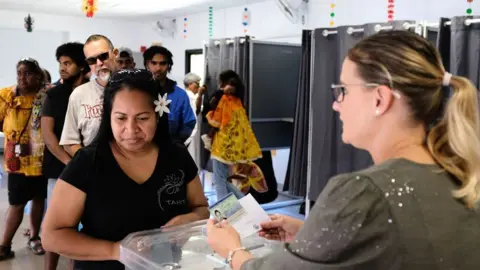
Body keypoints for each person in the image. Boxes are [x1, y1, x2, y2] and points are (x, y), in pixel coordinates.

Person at [207, 30, 480, 270]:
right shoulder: (460, 175)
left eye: (344, 90)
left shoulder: (364, 191)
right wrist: (313, 235)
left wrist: (232, 250)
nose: (337, 104)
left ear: (379, 99)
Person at [42, 69, 210, 270]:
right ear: (108, 116)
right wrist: (117, 251)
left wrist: (189, 220)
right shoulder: (88, 162)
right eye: (121, 118)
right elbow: (52, 236)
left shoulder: (176, 156)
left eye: (142, 118)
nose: (131, 130)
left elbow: (201, 208)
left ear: (158, 115)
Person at [41, 42, 90, 270]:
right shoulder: (54, 95)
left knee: (82, 227)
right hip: (59, 168)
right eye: (60, 63)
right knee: (56, 223)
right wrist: (70, 163)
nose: (62, 68)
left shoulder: (93, 92)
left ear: (81, 66)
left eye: (67, 63)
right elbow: (48, 135)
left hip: (90, 167)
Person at [0, 58, 48, 261]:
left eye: (27, 73)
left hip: (43, 159)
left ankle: (34, 237)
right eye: (19, 73)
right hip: (18, 160)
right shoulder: (7, 96)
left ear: (38, 76)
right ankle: (4, 245)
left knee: (39, 199)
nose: (22, 77)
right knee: (16, 203)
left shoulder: (46, 96)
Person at [204, 70, 262, 201]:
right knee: (222, 180)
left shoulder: (224, 99)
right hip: (235, 145)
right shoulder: (238, 100)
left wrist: (218, 94)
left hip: (223, 145)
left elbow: (214, 120)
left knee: (219, 181)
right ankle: (244, 206)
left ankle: (228, 213)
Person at [60, 34, 118, 157]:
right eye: (92, 60)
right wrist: (89, 163)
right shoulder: (79, 94)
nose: (99, 63)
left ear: (115, 54)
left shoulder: (134, 90)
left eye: (103, 56)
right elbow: (69, 142)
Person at [143, 45, 196, 143]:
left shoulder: (180, 95)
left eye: (162, 63)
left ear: (169, 66)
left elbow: (189, 122)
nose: (158, 68)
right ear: (147, 64)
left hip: (170, 150)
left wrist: (176, 143)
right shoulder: (139, 93)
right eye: (154, 63)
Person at [183, 73, 207, 165]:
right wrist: (200, 94)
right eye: (197, 83)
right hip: (190, 131)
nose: (199, 85)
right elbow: (196, 111)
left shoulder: (190, 96)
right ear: (190, 84)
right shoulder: (188, 96)